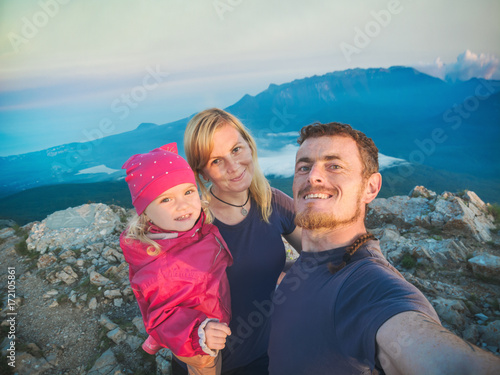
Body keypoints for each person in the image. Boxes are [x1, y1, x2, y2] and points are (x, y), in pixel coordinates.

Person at [268, 122, 500, 374]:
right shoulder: (304, 266)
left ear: (371, 187)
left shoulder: (370, 284)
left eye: (334, 166)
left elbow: (453, 365)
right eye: (303, 167)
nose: (312, 176)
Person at [181, 108, 302, 374]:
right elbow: (187, 317)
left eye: (236, 150)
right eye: (216, 161)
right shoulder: (195, 227)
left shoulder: (272, 201)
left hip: (273, 353)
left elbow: (321, 253)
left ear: (249, 144)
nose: (233, 166)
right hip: (222, 365)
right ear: (202, 173)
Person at [119, 143, 233, 375]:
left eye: (188, 192)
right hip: (196, 340)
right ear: (145, 211)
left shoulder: (190, 228)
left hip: (211, 324)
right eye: (165, 199)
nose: (183, 204)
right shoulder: (159, 268)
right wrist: (199, 332)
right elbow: (161, 318)